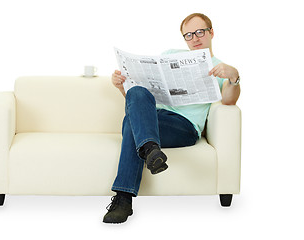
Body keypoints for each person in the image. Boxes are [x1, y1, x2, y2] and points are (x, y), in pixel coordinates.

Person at [103, 13, 241, 224]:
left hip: (183, 127)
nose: (195, 38)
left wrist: (234, 76)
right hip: (154, 117)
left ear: (211, 33)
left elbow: (230, 101)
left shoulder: (219, 67)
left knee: (129, 124)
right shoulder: (170, 55)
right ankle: (151, 150)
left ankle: (123, 199)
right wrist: (123, 87)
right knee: (136, 92)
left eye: (200, 32)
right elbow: (138, 104)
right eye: (188, 35)